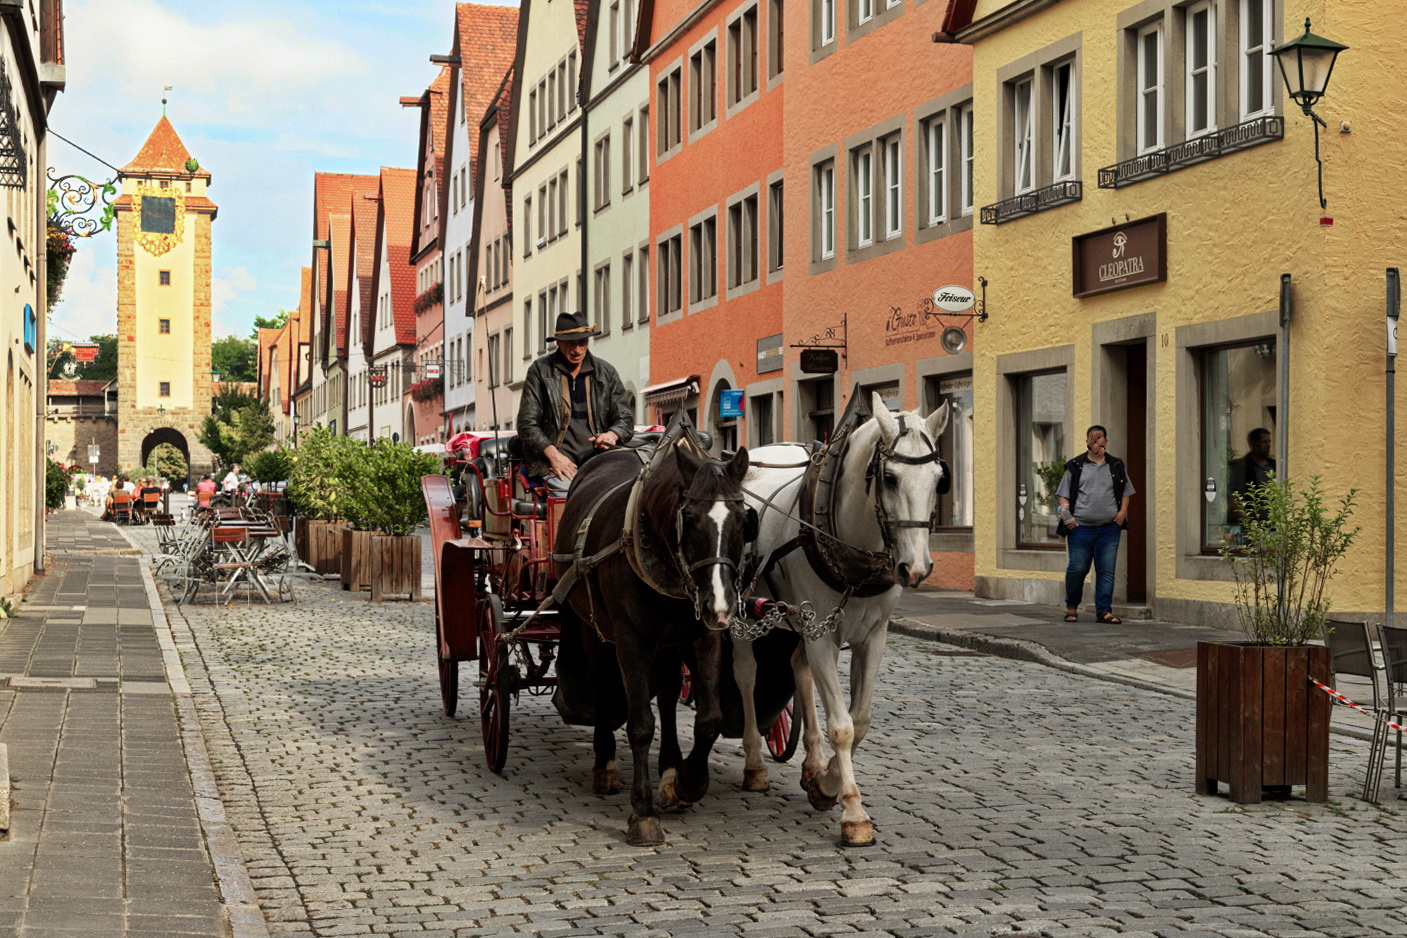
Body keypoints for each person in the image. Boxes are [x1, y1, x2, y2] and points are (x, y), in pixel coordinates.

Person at [516, 311, 634, 482]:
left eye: (582, 343)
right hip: (554, 464)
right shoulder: (540, 370)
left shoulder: (606, 372)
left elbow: (625, 418)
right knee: (569, 499)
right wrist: (554, 456)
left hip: (599, 461)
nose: (577, 350)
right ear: (558, 342)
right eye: (571, 344)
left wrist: (612, 435)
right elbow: (526, 424)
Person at [1057, 425, 1135, 624]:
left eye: (1100, 440)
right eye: (1092, 440)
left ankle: (1104, 611)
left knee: (1106, 570)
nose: (1096, 443)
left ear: (1106, 442)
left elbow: (1126, 492)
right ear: (1087, 442)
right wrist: (1068, 518)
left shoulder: (1116, 465)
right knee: (1077, 568)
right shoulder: (1075, 466)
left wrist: (1122, 513)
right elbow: (1064, 494)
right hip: (1080, 528)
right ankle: (1071, 607)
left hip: (1109, 528)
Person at [1228, 427, 1276, 530]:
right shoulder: (1241, 467)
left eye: (1269, 442)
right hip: (1250, 527)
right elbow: (1231, 497)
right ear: (1253, 443)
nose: (1268, 445)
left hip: (1273, 526)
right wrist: (1247, 519)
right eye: (1264, 442)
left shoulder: (1274, 466)